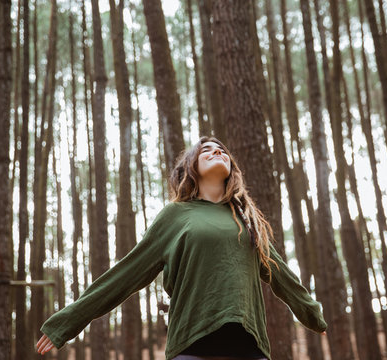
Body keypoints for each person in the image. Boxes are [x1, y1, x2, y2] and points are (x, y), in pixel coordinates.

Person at [36, 136, 327, 360]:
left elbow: (280, 274)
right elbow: (126, 274)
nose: (218, 152)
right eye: (207, 149)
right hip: (192, 343)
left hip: (248, 346)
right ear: (191, 167)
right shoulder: (175, 215)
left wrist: (311, 311)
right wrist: (68, 322)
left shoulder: (245, 219)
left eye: (223, 150)